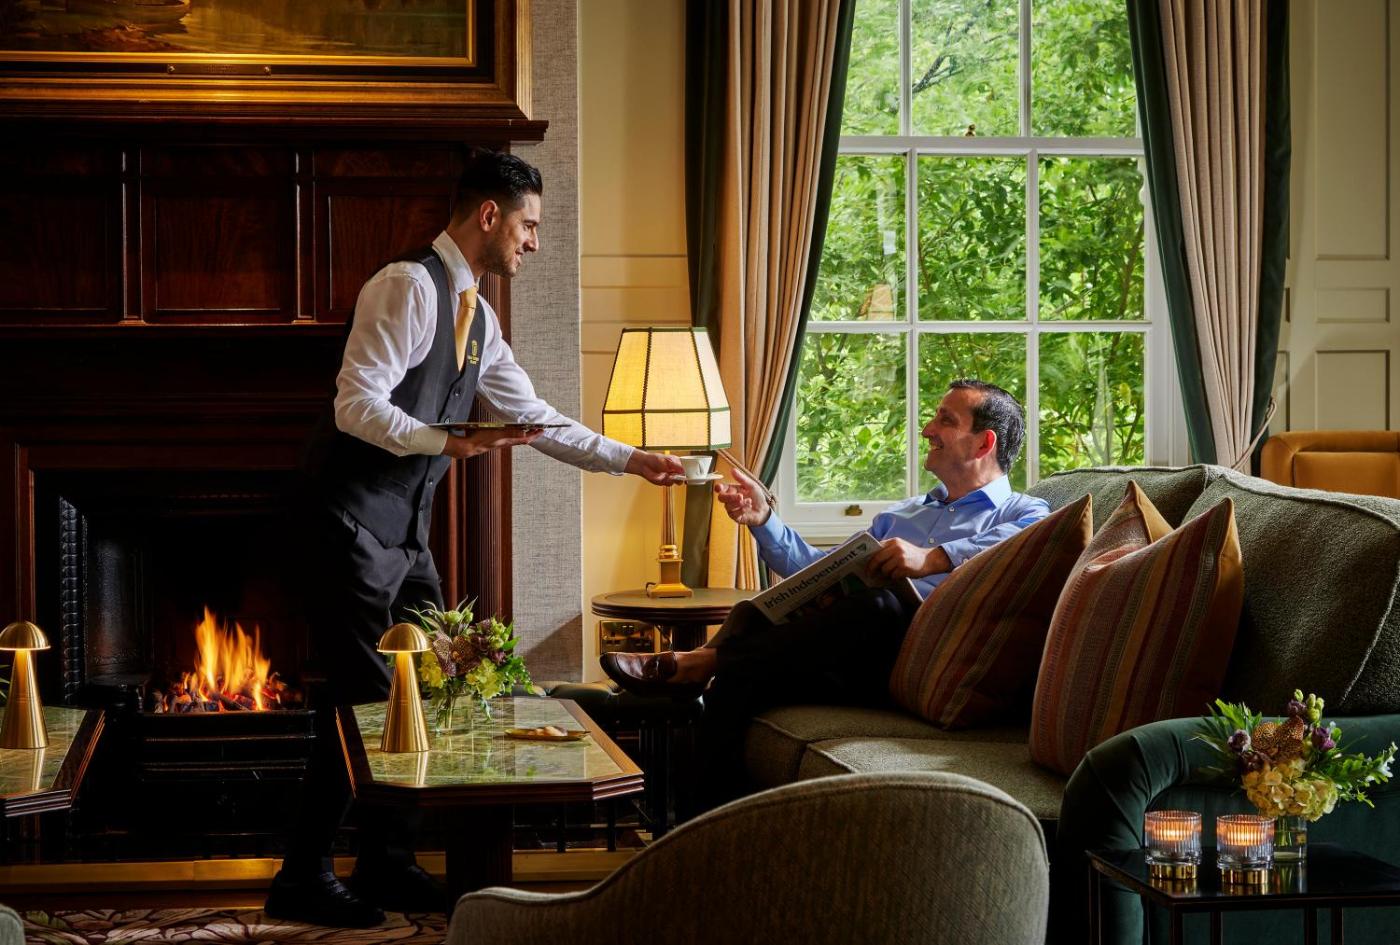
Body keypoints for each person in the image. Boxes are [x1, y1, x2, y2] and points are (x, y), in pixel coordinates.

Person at [265, 147, 683, 927]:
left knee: (438, 677)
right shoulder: (405, 286)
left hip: (404, 534)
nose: (535, 242)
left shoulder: (478, 317)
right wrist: (448, 442)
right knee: (367, 699)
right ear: (489, 215)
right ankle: (302, 873)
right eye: (528, 225)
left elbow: (537, 419)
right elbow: (355, 404)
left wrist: (633, 460)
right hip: (343, 521)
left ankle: (386, 860)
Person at [601, 379, 1048, 807]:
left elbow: (1026, 545)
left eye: (945, 420)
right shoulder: (902, 514)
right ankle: (696, 825)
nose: (928, 429)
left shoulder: (1025, 513)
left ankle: (703, 662)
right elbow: (818, 572)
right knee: (750, 630)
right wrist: (764, 520)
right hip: (844, 654)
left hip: (909, 661)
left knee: (879, 604)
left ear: (984, 443)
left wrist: (933, 558)